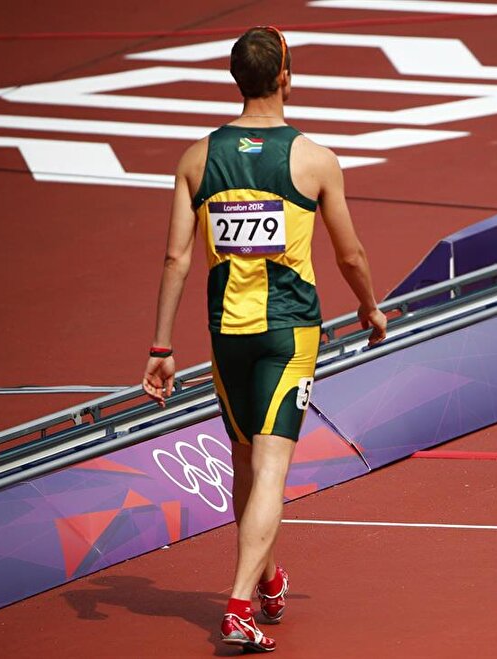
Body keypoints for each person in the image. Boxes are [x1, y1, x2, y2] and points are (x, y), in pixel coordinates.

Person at [141, 26, 387, 653]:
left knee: (245, 462)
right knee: (272, 468)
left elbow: (176, 259)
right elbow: (350, 253)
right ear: (285, 75)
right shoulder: (313, 158)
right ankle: (237, 605)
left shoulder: (196, 158)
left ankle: (270, 579)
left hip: (226, 334)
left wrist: (161, 348)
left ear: (236, 78)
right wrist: (368, 306)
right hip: (288, 334)